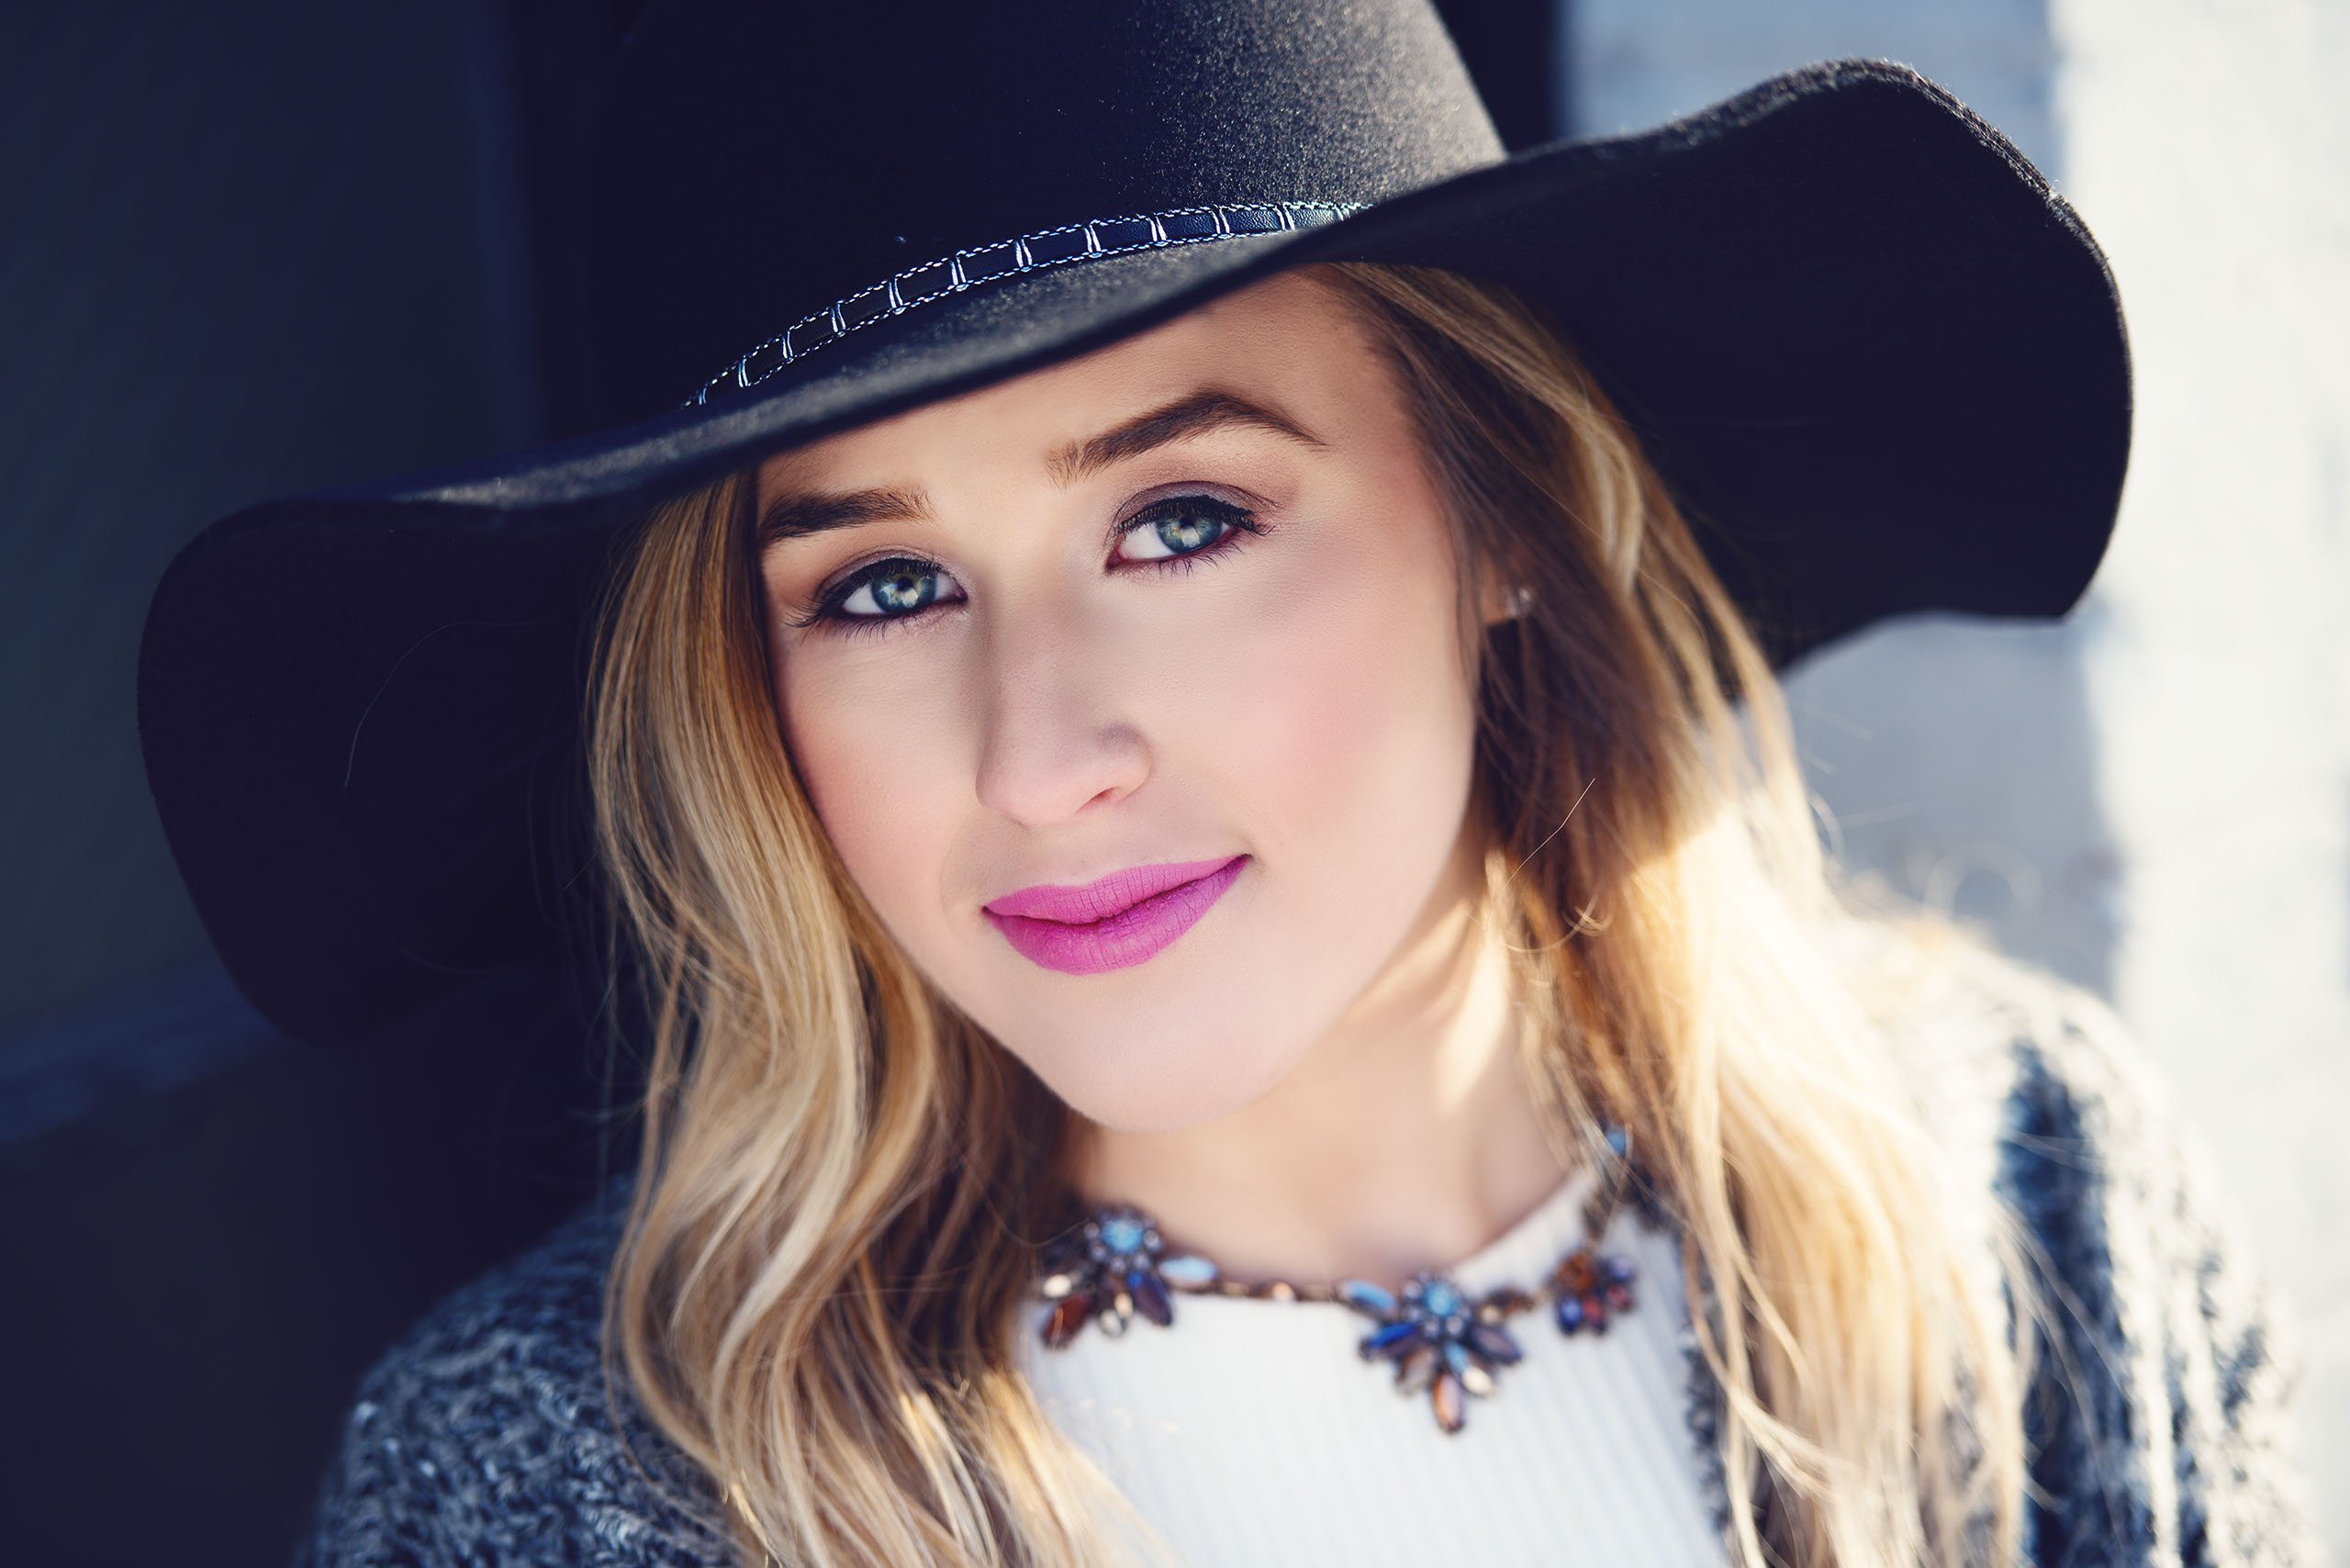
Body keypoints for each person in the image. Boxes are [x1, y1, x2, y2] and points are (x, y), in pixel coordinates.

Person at [137, 2, 2315, 1564]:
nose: (1040, 754)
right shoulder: (563, 1484)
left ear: (1504, 527)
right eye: (881, 582)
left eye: (1180, 519)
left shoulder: (2024, 1199)